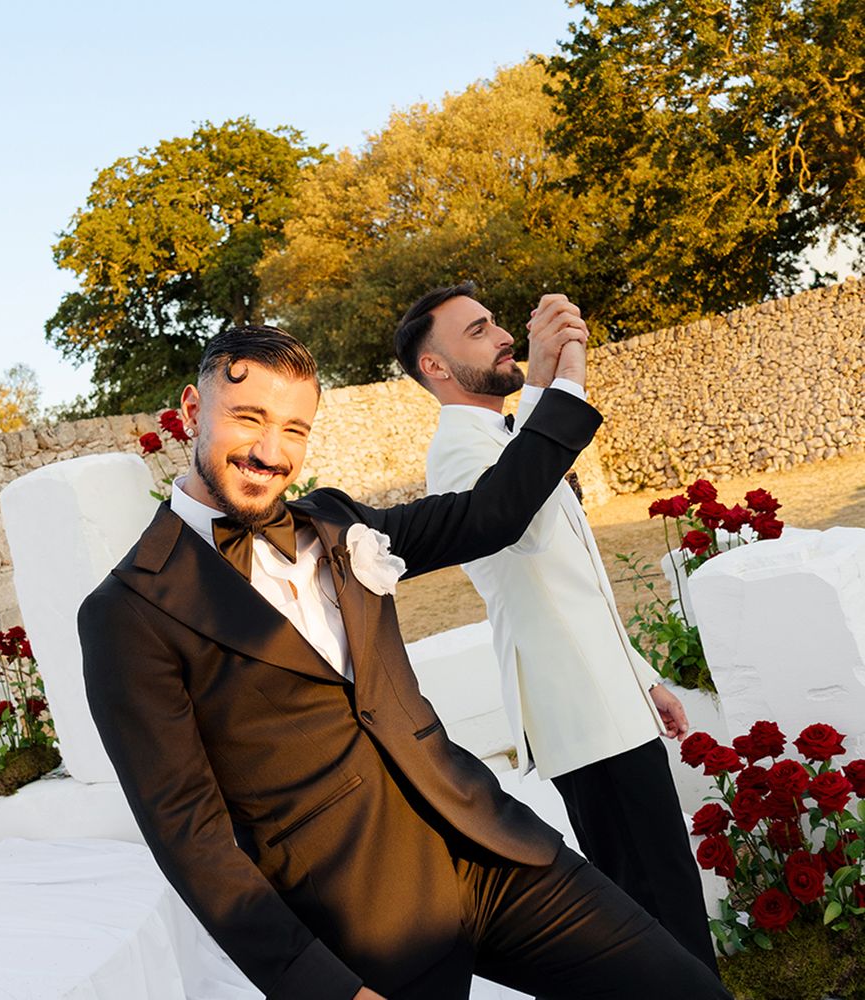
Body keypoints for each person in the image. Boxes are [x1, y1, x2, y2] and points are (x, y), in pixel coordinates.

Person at [79, 324, 731, 1000]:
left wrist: (556, 385)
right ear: (192, 410)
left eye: (295, 429)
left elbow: (490, 514)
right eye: (249, 418)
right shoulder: (127, 612)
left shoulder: (336, 522)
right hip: (363, 924)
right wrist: (321, 988)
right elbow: (191, 837)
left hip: (494, 850)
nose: (271, 453)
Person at [395, 282, 718, 973]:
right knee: (656, 907)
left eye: (494, 322)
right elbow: (525, 530)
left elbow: (578, 589)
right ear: (436, 367)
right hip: (579, 715)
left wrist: (643, 677)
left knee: (668, 889)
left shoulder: (509, 437)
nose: (503, 336)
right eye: (477, 331)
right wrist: (555, 382)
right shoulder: (457, 452)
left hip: (609, 700)